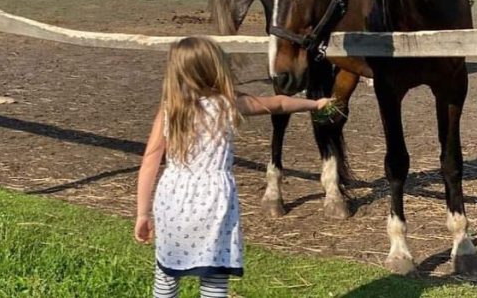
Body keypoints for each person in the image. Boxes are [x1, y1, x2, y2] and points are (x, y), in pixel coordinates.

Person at [134, 36, 334, 298]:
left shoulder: (170, 109)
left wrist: (142, 213)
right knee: (215, 277)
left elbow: (150, 159)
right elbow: (280, 103)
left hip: (173, 200)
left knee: (167, 274)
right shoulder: (227, 103)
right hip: (214, 202)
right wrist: (315, 104)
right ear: (215, 67)